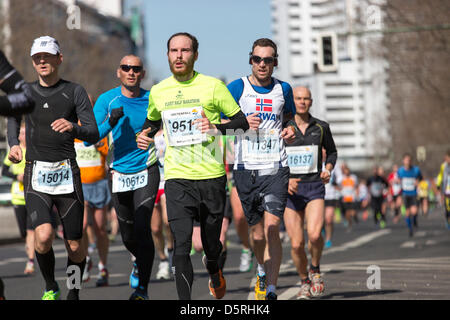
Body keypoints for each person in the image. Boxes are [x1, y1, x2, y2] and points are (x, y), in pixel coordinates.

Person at [136, 32, 250, 300]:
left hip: (211, 176)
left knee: (211, 247)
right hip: (177, 178)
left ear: (195, 55)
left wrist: (216, 127)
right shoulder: (159, 91)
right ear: (167, 55)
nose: (179, 55)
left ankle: (214, 269)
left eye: (185, 50)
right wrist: (145, 134)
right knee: (181, 245)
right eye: (174, 50)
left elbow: (242, 123)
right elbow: (152, 121)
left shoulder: (212, 87)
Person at [7, 36, 99, 300]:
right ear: (33, 62)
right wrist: (13, 144)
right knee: (44, 235)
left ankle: (74, 291)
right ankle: (50, 285)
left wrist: (74, 127)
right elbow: (13, 121)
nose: (42, 61)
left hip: (67, 173)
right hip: (36, 173)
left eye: (48, 56)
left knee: (74, 245)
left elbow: (93, 132)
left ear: (59, 58)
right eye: (38, 57)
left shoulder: (75, 91)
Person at [227, 38, 296, 300]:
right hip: (246, 168)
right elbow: (218, 121)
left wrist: (290, 130)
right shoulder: (237, 88)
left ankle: (271, 289)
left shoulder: (284, 89)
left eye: (268, 60)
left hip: (276, 167)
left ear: (275, 62)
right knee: (256, 233)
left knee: (272, 228)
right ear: (251, 60)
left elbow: (288, 119)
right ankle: (260, 268)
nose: (262, 64)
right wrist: (241, 123)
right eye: (258, 59)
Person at [89, 55, 159, 300]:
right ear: (118, 72)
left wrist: (152, 135)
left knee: (142, 226)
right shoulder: (107, 100)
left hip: (147, 168)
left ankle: (142, 290)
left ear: (142, 73)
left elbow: (164, 125)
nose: (131, 72)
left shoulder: (153, 98)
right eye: (126, 68)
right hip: (118, 172)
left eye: (136, 68)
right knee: (127, 234)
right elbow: (91, 136)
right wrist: (111, 121)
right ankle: (138, 261)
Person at [282, 86, 337, 299]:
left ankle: (315, 268)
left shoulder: (321, 127)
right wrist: (285, 180)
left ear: (311, 102)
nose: (302, 102)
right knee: (296, 244)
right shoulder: (283, 127)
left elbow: (332, 152)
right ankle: (304, 280)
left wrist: (328, 170)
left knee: (314, 235)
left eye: (306, 99)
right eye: (298, 98)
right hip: (290, 192)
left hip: (314, 186)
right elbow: (274, 158)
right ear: (292, 101)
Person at [74, 95, 111, 287]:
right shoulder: (72, 125)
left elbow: (106, 150)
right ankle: (86, 258)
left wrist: (97, 143)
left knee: (100, 229)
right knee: (81, 226)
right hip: (80, 185)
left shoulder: (99, 125)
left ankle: (103, 266)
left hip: (99, 183)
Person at [2, 124, 35, 274]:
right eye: (21, 133)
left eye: (25, 133)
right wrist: (17, 177)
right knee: (23, 232)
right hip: (18, 197)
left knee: (30, 231)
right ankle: (31, 252)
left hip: (33, 195)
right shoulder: (14, 151)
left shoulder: (34, 150)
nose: (23, 136)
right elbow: (4, 171)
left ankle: (31, 261)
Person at [151, 128, 173, 280]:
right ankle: (163, 259)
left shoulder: (169, 130)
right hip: (152, 183)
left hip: (167, 181)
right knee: (155, 228)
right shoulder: (147, 133)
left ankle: (171, 251)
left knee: (168, 222)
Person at [397, 153, 423, 237]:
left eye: (409, 160)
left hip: (413, 193)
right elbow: (398, 180)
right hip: (405, 194)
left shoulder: (416, 170)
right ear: (403, 161)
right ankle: (410, 229)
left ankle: (414, 220)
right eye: (406, 160)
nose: (408, 161)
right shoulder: (400, 171)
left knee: (414, 211)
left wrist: (418, 182)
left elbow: (421, 178)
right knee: (407, 213)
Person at [338, 164, 359, 231]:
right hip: (345, 197)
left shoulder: (353, 177)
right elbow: (338, 186)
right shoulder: (342, 178)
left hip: (352, 197)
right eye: (345, 171)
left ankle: (355, 217)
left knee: (353, 212)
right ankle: (349, 224)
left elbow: (356, 186)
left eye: (347, 171)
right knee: (347, 213)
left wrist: (357, 194)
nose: (346, 172)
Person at [436, 150, 450, 229]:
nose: (447, 160)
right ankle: (447, 218)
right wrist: (438, 184)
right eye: (446, 158)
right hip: (447, 190)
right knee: (448, 208)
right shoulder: (443, 166)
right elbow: (440, 176)